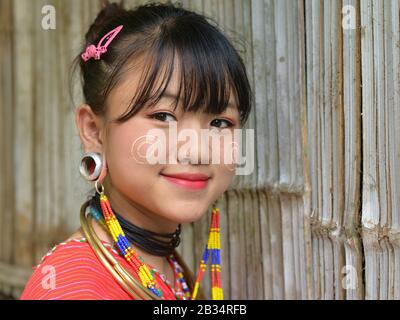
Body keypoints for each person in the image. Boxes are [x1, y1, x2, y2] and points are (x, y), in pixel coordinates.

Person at [20, 1, 252, 300]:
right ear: (93, 130)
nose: (198, 151)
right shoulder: (73, 289)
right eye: (163, 116)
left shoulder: (167, 270)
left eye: (220, 122)